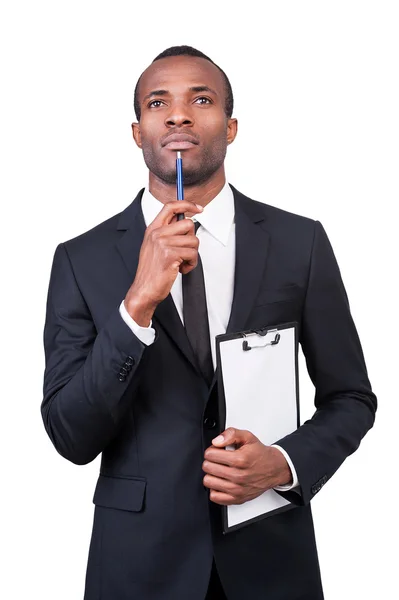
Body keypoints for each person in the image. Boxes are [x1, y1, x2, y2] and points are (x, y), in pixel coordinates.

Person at [41, 45, 377, 600]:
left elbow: (351, 398)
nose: (179, 115)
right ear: (137, 131)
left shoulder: (300, 243)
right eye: (158, 103)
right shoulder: (81, 259)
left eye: (201, 99)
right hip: (138, 568)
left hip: (271, 559)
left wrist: (285, 463)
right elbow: (70, 434)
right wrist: (138, 305)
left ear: (231, 125)